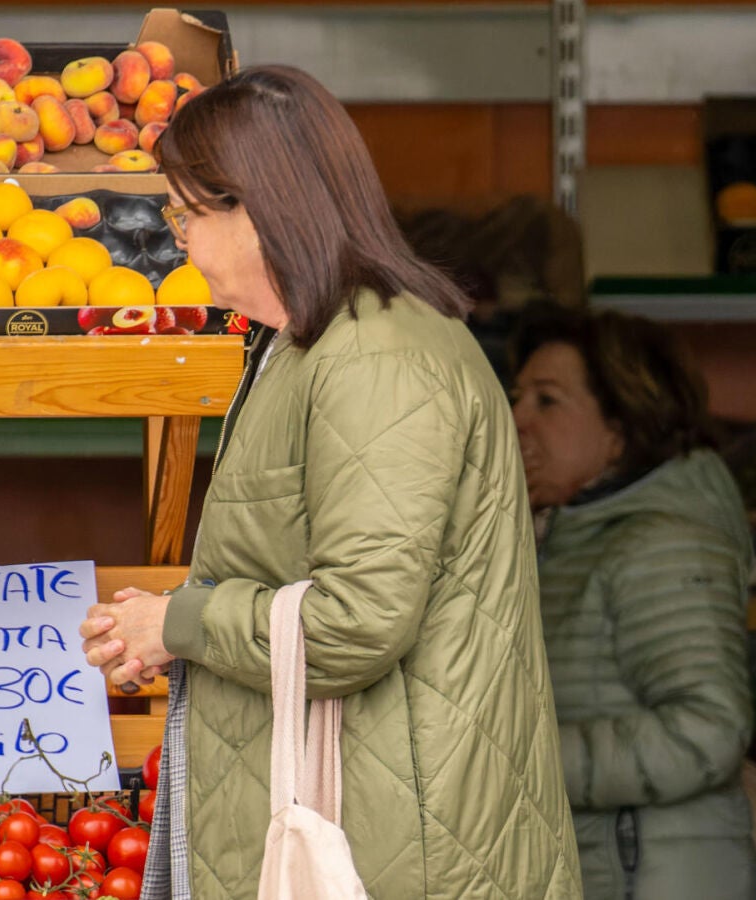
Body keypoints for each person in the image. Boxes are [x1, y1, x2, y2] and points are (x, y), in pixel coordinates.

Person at [79, 65, 582, 900]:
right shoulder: (312, 344)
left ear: (258, 207)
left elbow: (357, 621)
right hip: (378, 825)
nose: (179, 242)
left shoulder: (375, 359)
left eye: (187, 214)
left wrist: (184, 623)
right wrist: (165, 627)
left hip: (400, 848)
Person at [509, 302, 756, 900]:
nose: (516, 418)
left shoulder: (662, 544)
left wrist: (524, 759)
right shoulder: (575, 537)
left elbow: (709, 729)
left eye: (547, 401)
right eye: (517, 398)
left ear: (621, 430)